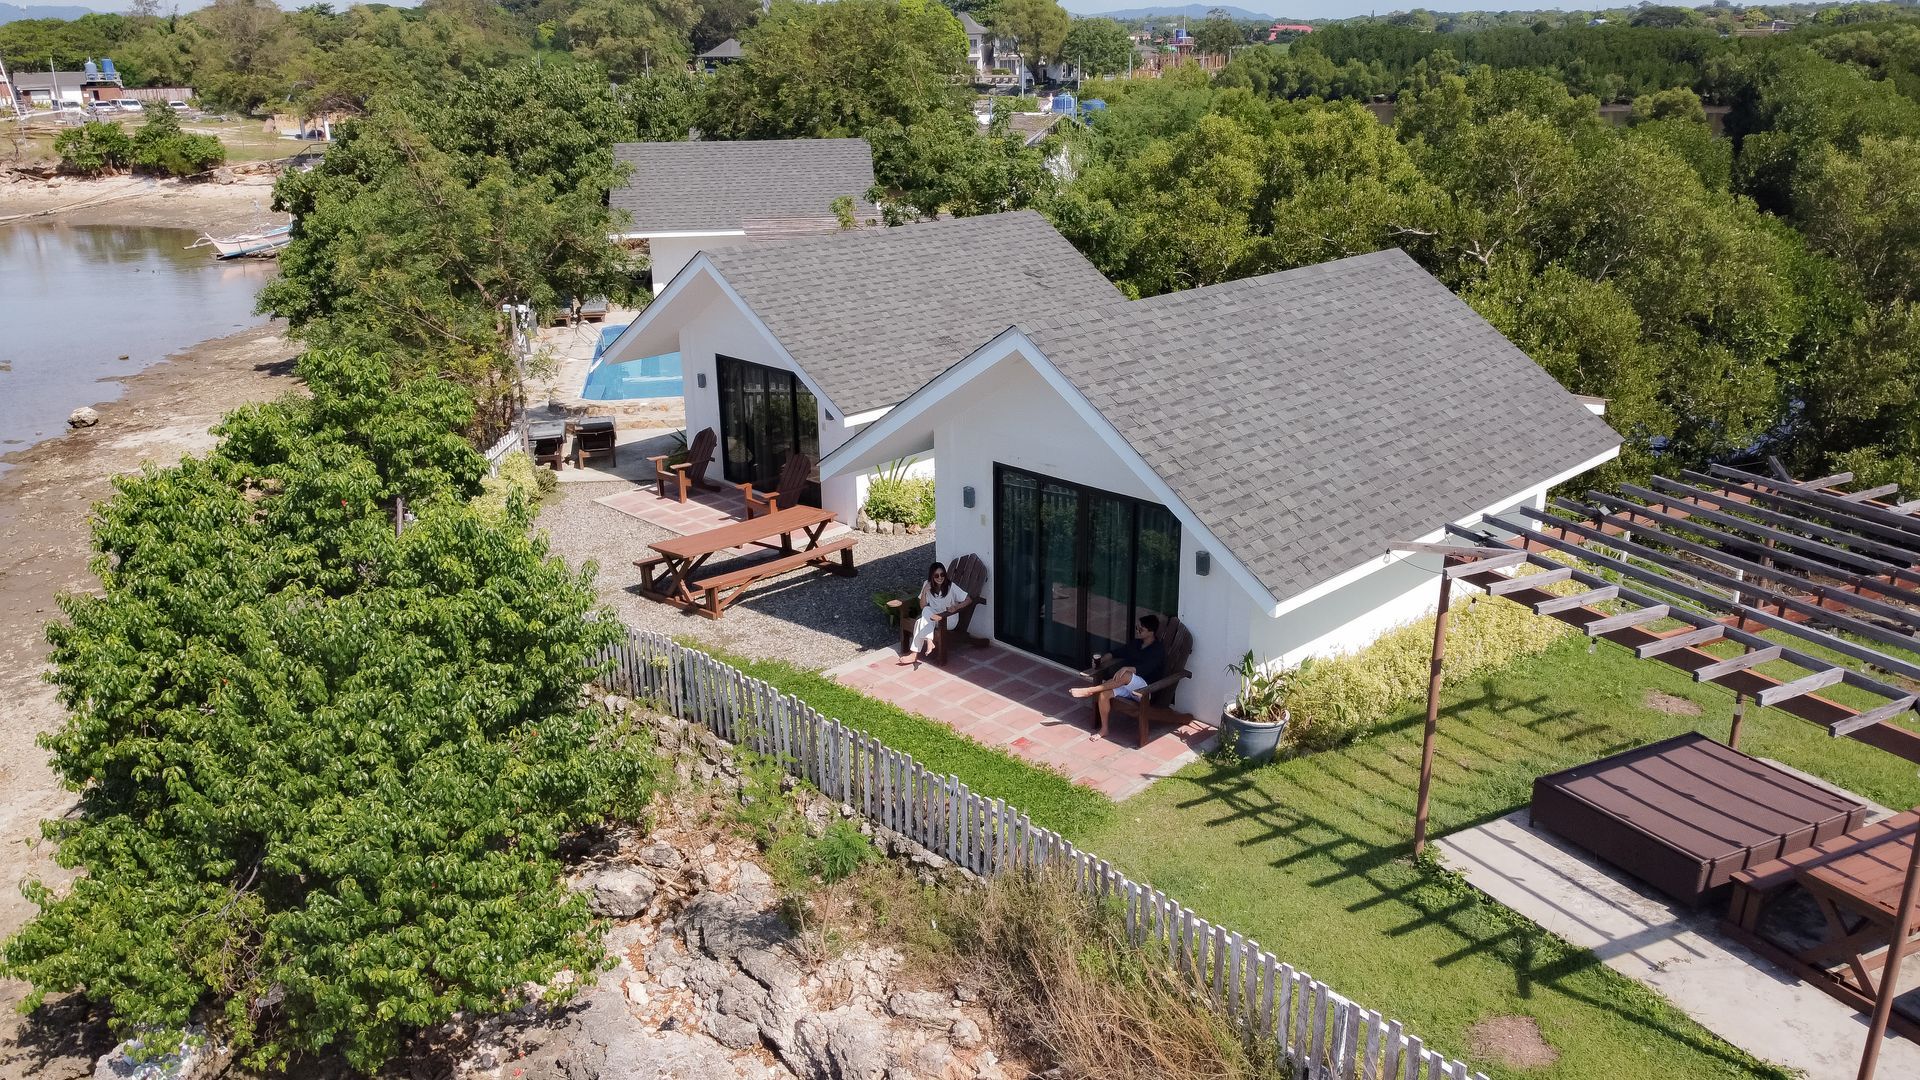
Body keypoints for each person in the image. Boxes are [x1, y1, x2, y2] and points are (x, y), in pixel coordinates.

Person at [1071, 615, 1166, 738]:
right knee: (1104, 694)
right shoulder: (1136, 644)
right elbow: (1115, 653)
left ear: (1151, 632)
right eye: (1137, 628)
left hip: (1147, 689)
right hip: (1128, 685)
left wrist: (1128, 668)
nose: (1137, 631)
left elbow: (1147, 668)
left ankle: (1090, 691)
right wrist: (1101, 660)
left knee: (1125, 675)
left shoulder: (1157, 650)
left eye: (1141, 629)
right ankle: (1104, 729)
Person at [900, 561, 969, 667]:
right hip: (933, 618)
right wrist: (924, 592)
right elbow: (922, 606)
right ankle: (928, 642)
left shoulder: (951, 587)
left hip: (948, 619)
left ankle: (916, 651)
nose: (940, 577)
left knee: (923, 619)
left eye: (942, 575)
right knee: (925, 613)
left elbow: (968, 600)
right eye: (936, 575)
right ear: (931, 576)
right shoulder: (926, 585)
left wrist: (956, 607)